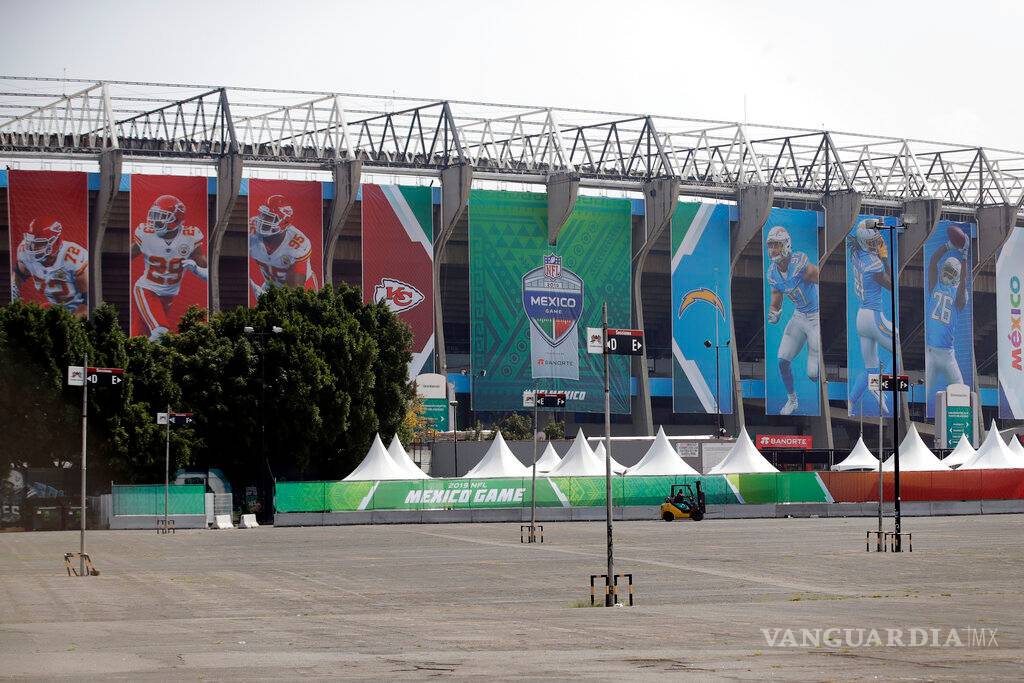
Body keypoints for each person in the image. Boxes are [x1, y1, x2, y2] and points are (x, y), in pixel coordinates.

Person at [131, 194, 207, 340]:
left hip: (168, 296)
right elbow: (128, 255)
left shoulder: (190, 236)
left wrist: (198, 269)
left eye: (161, 216)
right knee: (161, 332)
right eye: (154, 215)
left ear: (176, 219)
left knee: (139, 338)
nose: (155, 220)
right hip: (147, 289)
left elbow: (203, 264)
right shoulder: (146, 234)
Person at [765, 225, 820, 416]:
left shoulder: (800, 262)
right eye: (770, 245)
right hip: (799, 316)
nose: (773, 250)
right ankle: (792, 400)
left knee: (813, 374)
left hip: (816, 318)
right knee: (782, 360)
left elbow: (822, 277)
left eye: (777, 245)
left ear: (787, 245)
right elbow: (776, 296)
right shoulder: (772, 272)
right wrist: (774, 311)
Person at [847, 218, 895, 415]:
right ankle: (878, 387)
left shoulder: (855, 252)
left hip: (861, 317)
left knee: (870, 367)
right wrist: (884, 257)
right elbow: (891, 284)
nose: (878, 243)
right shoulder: (874, 262)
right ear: (867, 242)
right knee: (897, 347)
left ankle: (851, 400)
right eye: (875, 241)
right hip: (873, 315)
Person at [924, 231, 969, 405]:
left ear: (957, 276)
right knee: (925, 393)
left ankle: (964, 431)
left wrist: (964, 258)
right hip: (931, 351)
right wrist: (948, 246)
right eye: (947, 270)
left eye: (952, 272)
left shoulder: (959, 296)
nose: (948, 274)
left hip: (948, 354)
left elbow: (964, 280)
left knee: (962, 395)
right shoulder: (934, 285)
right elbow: (933, 261)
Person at [13, 214, 88, 316]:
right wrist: (14, 292)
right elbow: (18, 276)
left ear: (54, 242)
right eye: (32, 243)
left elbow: (88, 302)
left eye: (39, 244)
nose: (33, 248)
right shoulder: (25, 253)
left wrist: (71, 323)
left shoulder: (74, 257)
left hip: (76, 313)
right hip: (53, 311)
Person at [248, 194, 316, 301]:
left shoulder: (296, 244)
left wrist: (271, 301)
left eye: (270, 217)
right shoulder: (251, 231)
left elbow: (295, 290)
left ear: (284, 221)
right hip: (271, 286)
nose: (263, 220)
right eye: (263, 214)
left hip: (303, 289)